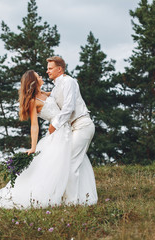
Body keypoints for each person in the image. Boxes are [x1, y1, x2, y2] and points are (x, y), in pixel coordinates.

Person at [0, 70, 72, 209]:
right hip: (57, 132)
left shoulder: (45, 93)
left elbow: (62, 95)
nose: (41, 77)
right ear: (33, 81)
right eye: (38, 76)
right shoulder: (33, 102)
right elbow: (34, 125)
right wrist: (33, 147)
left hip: (64, 128)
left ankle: (68, 192)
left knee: (66, 161)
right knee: (58, 162)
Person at [46, 56, 97, 205]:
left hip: (82, 125)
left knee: (70, 163)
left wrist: (54, 124)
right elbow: (52, 96)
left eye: (50, 68)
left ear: (59, 69)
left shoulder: (69, 82)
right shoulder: (57, 87)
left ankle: (72, 203)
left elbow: (69, 107)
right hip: (74, 128)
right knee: (68, 162)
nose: (47, 71)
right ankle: (77, 198)